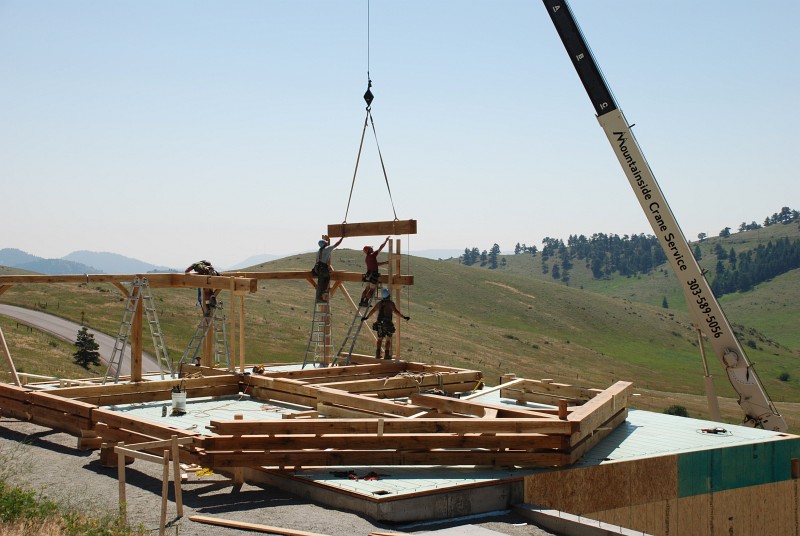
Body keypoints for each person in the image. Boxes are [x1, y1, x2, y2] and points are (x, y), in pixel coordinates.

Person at [362, 288, 409, 359]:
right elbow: (396, 312)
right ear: (388, 295)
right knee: (388, 339)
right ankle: (386, 355)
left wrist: (366, 317)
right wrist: (404, 317)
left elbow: (373, 310)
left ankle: (378, 354)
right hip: (387, 324)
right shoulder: (391, 304)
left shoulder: (379, 303)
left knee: (380, 339)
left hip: (379, 324)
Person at [359, 236, 390, 306]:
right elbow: (380, 247)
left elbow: (376, 264)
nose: (372, 249)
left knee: (366, 289)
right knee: (372, 290)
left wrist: (385, 262)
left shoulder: (367, 258)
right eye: (370, 248)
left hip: (368, 275)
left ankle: (362, 301)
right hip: (373, 275)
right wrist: (386, 241)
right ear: (369, 250)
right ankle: (366, 302)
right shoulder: (373, 255)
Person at [314, 234, 344, 302]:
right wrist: (341, 238)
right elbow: (336, 244)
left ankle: (319, 297)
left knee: (320, 283)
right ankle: (321, 296)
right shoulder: (326, 249)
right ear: (324, 244)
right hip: (323, 268)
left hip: (318, 268)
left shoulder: (319, 251)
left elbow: (316, 261)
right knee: (325, 280)